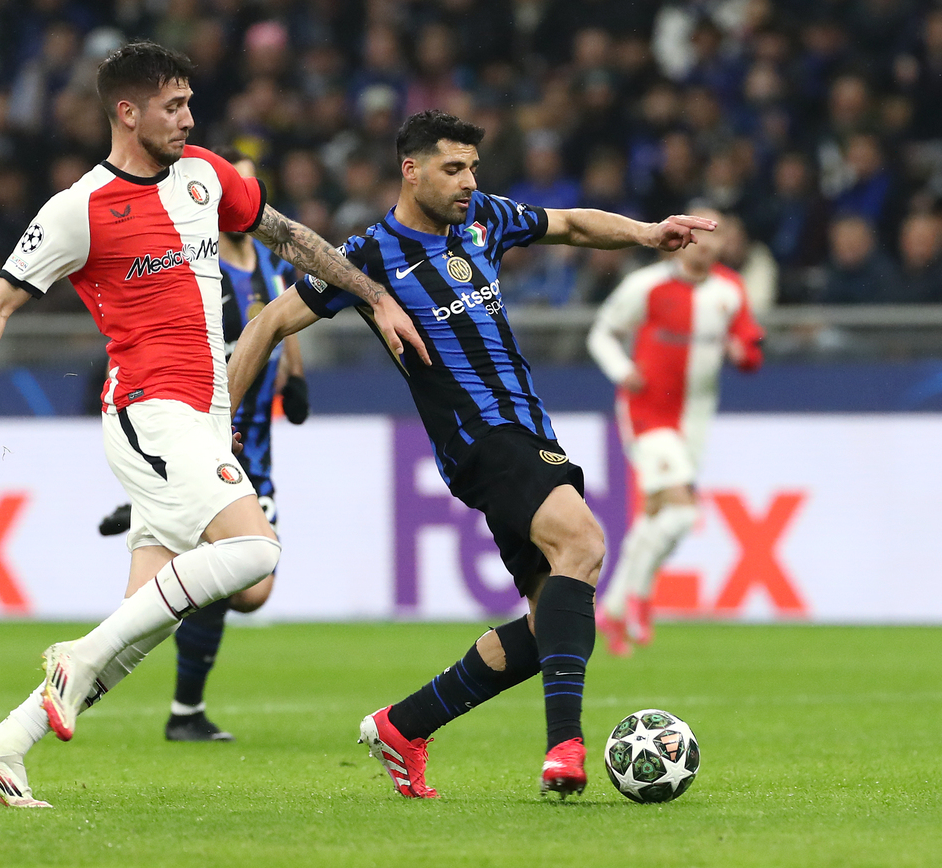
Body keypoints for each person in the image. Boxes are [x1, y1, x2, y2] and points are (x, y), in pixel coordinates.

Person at [0, 41, 427, 809]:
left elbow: (286, 236)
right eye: (172, 106)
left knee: (142, 627)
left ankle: (1, 746)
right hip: (148, 410)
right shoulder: (79, 209)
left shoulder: (206, 174)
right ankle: (74, 656)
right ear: (127, 113)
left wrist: (374, 295)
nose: (189, 118)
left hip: (202, 419)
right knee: (255, 551)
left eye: (190, 103)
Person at [226, 109, 714, 800]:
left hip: (529, 430)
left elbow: (570, 225)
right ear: (411, 170)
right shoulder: (367, 257)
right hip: (479, 439)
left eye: (473, 168)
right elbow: (268, 323)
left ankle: (404, 726)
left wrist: (646, 232)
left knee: (553, 619)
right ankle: (565, 748)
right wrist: (220, 418)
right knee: (583, 542)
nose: (468, 182)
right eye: (453, 168)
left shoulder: (483, 218)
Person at [98, 147, 310, 743]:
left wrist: (296, 375)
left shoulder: (265, 260)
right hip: (211, 430)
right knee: (238, 568)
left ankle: (156, 511)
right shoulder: (198, 259)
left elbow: (280, 316)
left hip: (257, 440)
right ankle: (185, 710)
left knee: (252, 591)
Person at [587, 207, 764, 657]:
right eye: (696, 233)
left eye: (714, 235)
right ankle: (640, 596)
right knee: (683, 512)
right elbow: (602, 333)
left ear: (724, 243)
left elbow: (751, 350)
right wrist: (622, 369)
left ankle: (611, 610)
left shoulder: (730, 290)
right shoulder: (646, 285)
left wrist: (742, 353)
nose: (705, 243)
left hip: (695, 419)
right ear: (681, 238)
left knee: (657, 518)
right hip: (647, 412)